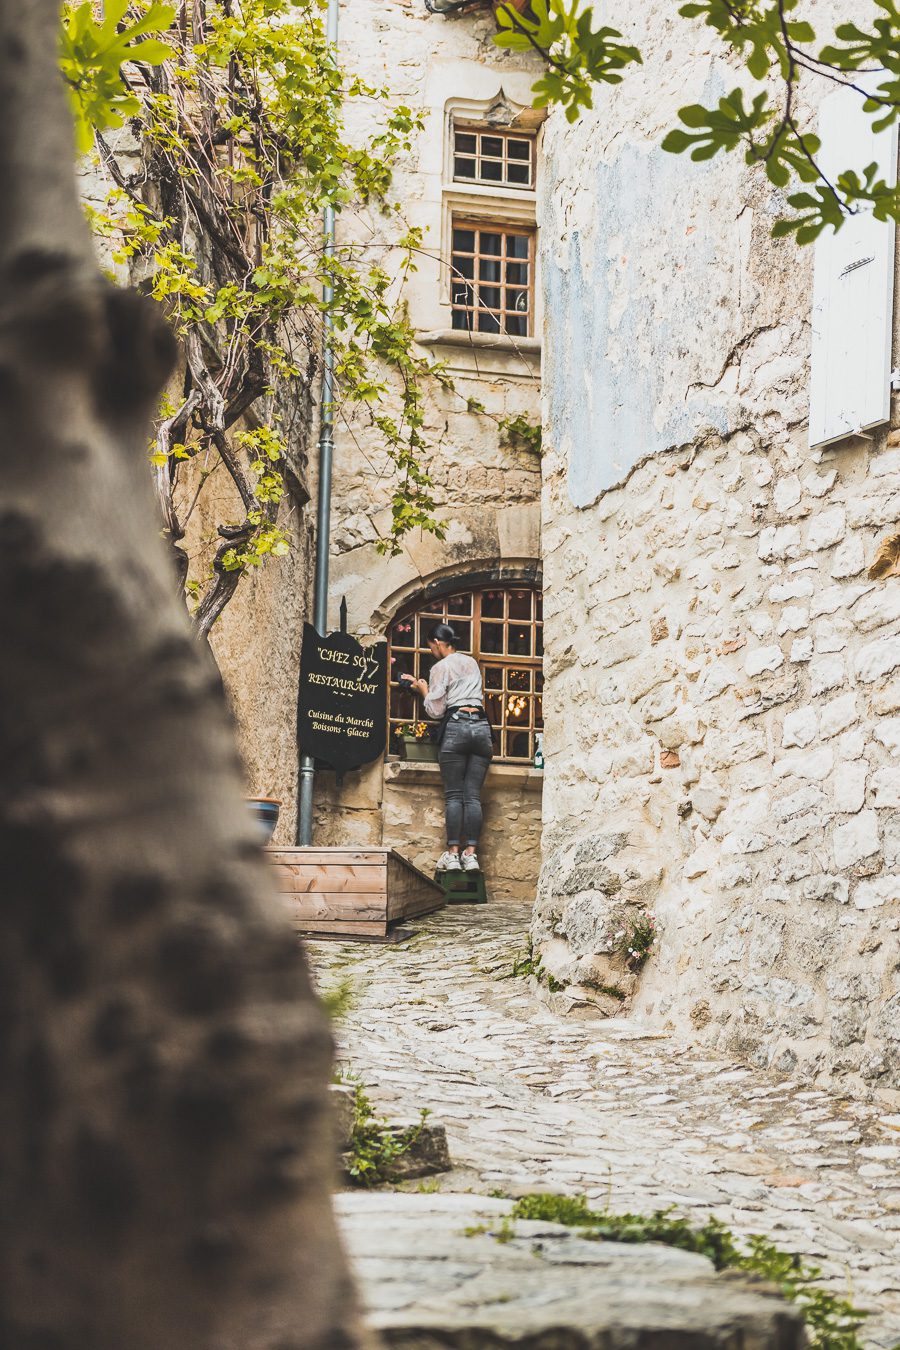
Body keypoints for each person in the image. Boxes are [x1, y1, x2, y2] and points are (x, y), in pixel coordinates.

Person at [406, 622, 492, 873]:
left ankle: (454, 855)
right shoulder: (471, 663)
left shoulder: (440, 667)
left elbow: (436, 710)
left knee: (454, 795)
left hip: (455, 727)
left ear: (438, 643)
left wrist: (422, 689)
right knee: (473, 796)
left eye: (431, 646)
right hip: (481, 727)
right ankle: (471, 856)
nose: (431, 651)